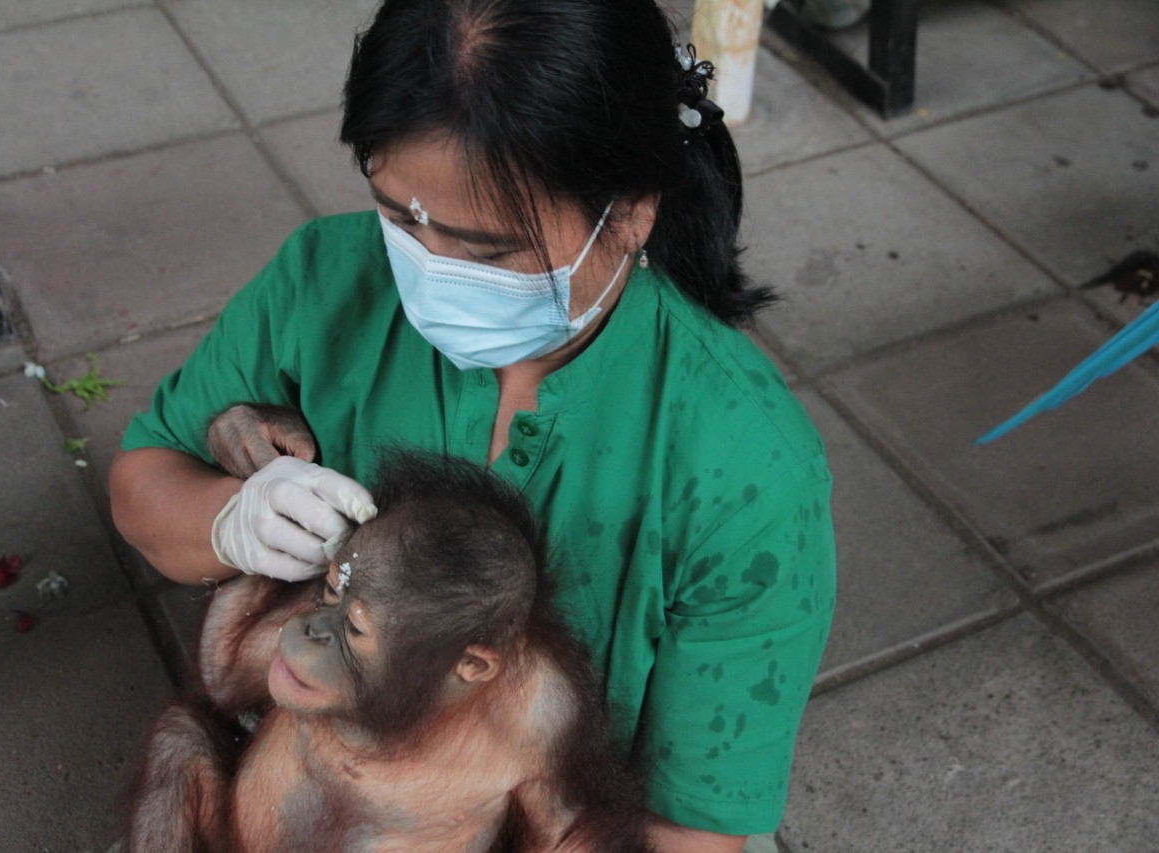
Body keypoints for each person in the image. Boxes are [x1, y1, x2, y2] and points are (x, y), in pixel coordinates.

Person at [109, 1, 836, 851]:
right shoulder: (322, 279)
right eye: (399, 214)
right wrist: (228, 520)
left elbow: (694, 829)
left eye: (488, 250)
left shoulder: (744, 467)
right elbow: (142, 484)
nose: (429, 269)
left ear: (631, 215)